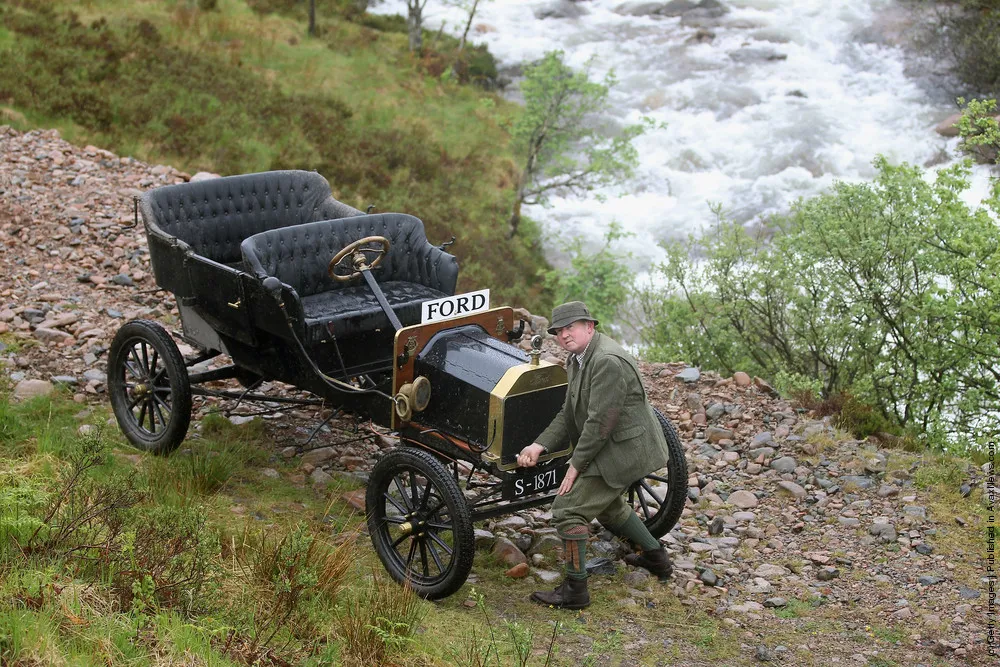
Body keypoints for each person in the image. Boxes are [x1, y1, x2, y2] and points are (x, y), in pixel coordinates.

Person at [517, 301, 673, 609]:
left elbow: (600, 424)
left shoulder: (606, 362)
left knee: (567, 510)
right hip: (613, 442)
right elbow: (569, 413)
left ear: (590, 326)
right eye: (559, 331)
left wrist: (575, 466)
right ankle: (656, 558)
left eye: (570, 328)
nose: (564, 335)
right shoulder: (577, 359)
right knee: (609, 505)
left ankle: (576, 590)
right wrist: (539, 445)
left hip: (625, 449)